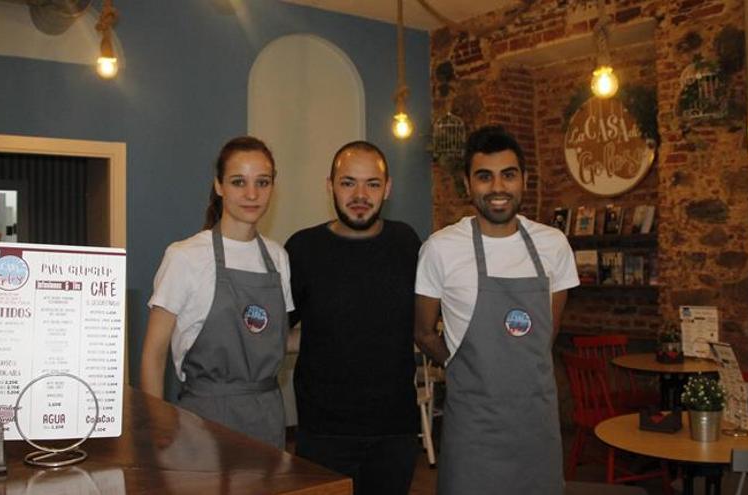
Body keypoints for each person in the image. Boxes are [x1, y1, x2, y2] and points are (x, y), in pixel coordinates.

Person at [414, 125, 579, 494]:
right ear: (468, 184)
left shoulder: (553, 246)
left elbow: (545, 334)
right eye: (484, 177)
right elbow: (423, 332)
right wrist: (462, 364)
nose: (498, 188)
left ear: (524, 179)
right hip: (473, 428)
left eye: (508, 175)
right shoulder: (441, 249)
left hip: (535, 427)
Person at [140, 136, 293, 449]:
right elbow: (153, 353)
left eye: (262, 182)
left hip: (268, 415)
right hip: (205, 417)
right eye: (239, 182)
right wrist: (154, 425)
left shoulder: (277, 257)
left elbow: (275, 339)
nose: (252, 194)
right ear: (219, 186)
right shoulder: (185, 256)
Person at [285, 141, 420, 495]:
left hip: (395, 433)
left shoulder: (407, 243)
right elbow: (274, 333)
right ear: (329, 185)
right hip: (323, 434)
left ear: (387, 189)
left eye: (372, 184)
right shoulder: (302, 249)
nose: (360, 194)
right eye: (348, 183)